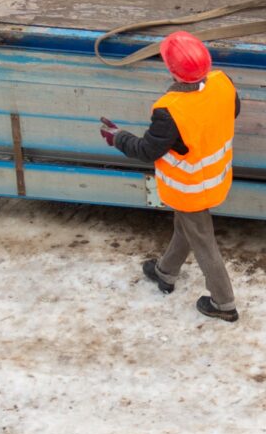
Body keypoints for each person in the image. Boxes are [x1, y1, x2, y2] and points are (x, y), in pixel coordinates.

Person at [100, 31, 241, 324]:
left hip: (189, 188)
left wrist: (118, 138)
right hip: (216, 176)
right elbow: (232, 111)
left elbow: (147, 149)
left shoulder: (170, 110)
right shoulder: (222, 83)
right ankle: (165, 272)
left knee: (203, 241)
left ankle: (223, 303)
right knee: (187, 228)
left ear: (171, 69)